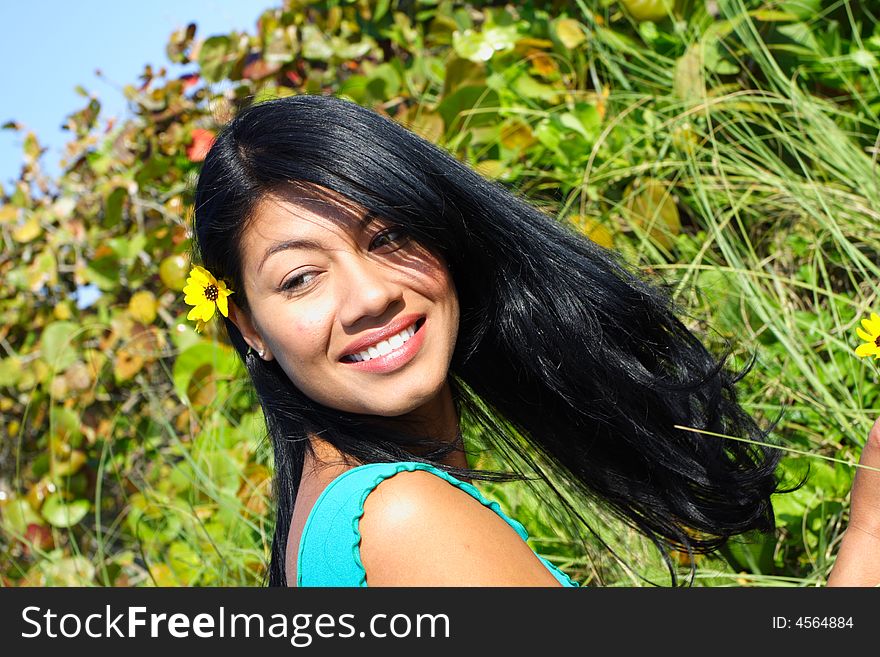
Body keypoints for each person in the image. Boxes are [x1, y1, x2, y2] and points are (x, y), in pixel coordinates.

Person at [186, 93, 878, 587]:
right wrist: (871, 534)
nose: (370, 295)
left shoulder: (335, 524)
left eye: (390, 236)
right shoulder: (397, 517)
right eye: (302, 277)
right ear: (250, 326)